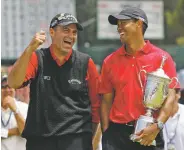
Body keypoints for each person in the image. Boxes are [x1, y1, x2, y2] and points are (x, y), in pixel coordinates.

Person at [8, 13, 100, 150]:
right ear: (52, 32)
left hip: (76, 139)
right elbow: (13, 83)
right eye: (66, 30)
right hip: (40, 140)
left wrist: (88, 139)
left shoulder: (86, 62)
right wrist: (29, 49)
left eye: (74, 32)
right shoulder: (36, 58)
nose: (71, 36)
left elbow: (96, 104)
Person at [99, 7, 179, 150]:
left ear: (139, 24)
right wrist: (107, 133)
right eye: (117, 24)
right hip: (116, 137)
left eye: (123, 22)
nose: (119, 27)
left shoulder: (163, 58)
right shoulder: (109, 61)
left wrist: (157, 126)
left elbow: (170, 98)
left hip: (150, 133)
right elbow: (106, 101)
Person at [1, 75, 28, 150]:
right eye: (3, 87)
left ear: (15, 89)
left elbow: (25, 132)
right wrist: (9, 132)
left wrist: (15, 110)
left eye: (10, 87)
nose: (7, 90)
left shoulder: (24, 107)